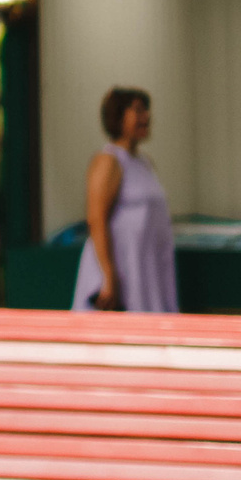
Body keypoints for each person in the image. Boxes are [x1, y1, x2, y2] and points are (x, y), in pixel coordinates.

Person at [72, 85, 179, 314]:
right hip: (120, 271)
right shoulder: (108, 161)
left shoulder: (144, 162)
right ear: (118, 116)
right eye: (138, 110)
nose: (146, 117)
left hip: (146, 268)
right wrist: (108, 277)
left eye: (147, 110)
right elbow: (96, 219)